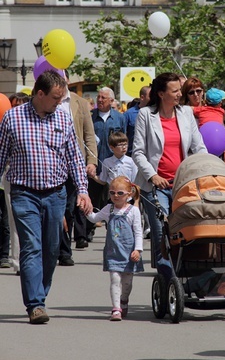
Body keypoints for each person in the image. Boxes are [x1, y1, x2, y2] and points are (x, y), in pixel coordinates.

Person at [0, 71, 93, 324]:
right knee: (32, 247)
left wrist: (83, 190)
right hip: (24, 193)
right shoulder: (12, 118)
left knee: (51, 250)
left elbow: (74, 158)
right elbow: (1, 155)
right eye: (55, 97)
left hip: (55, 194)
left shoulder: (62, 119)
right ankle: (36, 304)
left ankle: (39, 294)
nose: (58, 102)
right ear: (39, 94)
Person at [132, 72, 207, 278]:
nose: (178, 95)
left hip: (183, 184)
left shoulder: (186, 114)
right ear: (161, 94)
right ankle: (167, 280)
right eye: (174, 91)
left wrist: (207, 168)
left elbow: (198, 147)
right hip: (155, 186)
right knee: (162, 233)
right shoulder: (146, 115)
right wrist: (152, 175)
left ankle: (183, 275)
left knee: (186, 232)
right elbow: (137, 152)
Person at [86, 176, 143, 321]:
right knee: (115, 279)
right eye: (112, 193)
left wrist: (138, 250)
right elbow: (94, 218)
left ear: (129, 194)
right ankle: (116, 309)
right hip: (113, 252)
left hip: (129, 253)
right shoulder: (108, 209)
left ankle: (124, 300)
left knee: (127, 283)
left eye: (120, 193)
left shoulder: (133, 211)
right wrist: (86, 209)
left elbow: (138, 231)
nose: (115, 196)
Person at [58, 73, 98, 262]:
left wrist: (92, 161)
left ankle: (65, 252)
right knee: (56, 207)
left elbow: (89, 135)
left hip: (75, 162)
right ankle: (57, 247)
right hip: (52, 162)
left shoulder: (80, 103)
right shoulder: (44, 99)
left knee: (68, 206)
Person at [2, 92, 30, 275]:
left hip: (36, 180)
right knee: (14, 221)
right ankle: (18, 260)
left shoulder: (35, 125)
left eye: (21, 105)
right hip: (12, 178)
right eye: (14, 105)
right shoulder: (7, 124)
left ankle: (32, 258)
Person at [89, 87, 126, 214]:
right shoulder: (90, 117)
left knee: (113, 202)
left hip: (113, 167)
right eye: (98, 97)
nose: (99, 100)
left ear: (111, 101)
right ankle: (89, 230)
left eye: (103, 98)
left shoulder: (119, 118)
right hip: (95, 166)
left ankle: (112, 229)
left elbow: (123, 140)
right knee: (93, 201)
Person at [123, 85, 151, 157]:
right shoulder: (128, 114)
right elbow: (123, 135)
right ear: (142, 97)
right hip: (133, 156)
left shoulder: (156, 113)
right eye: (150, 96)